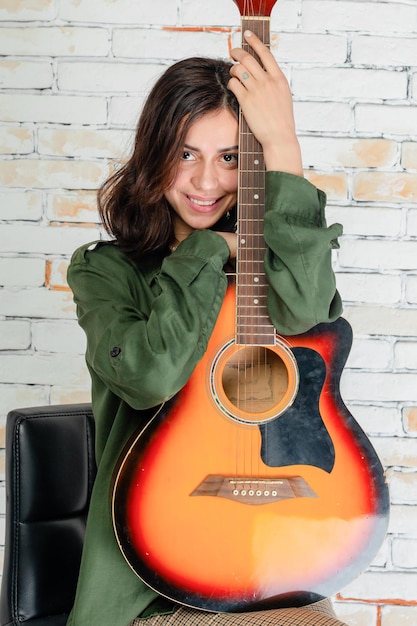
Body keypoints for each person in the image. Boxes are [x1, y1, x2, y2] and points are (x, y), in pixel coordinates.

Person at [67, 30, 346, 626]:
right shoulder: (105, 270)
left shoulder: (273, 263)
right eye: (186, 153)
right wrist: (204, 252)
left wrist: (284, 145)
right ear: (154, 151)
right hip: (150, 577)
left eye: (229, 158)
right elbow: (150, 377)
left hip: (270, 562)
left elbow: (307, 315)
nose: (205, 181)